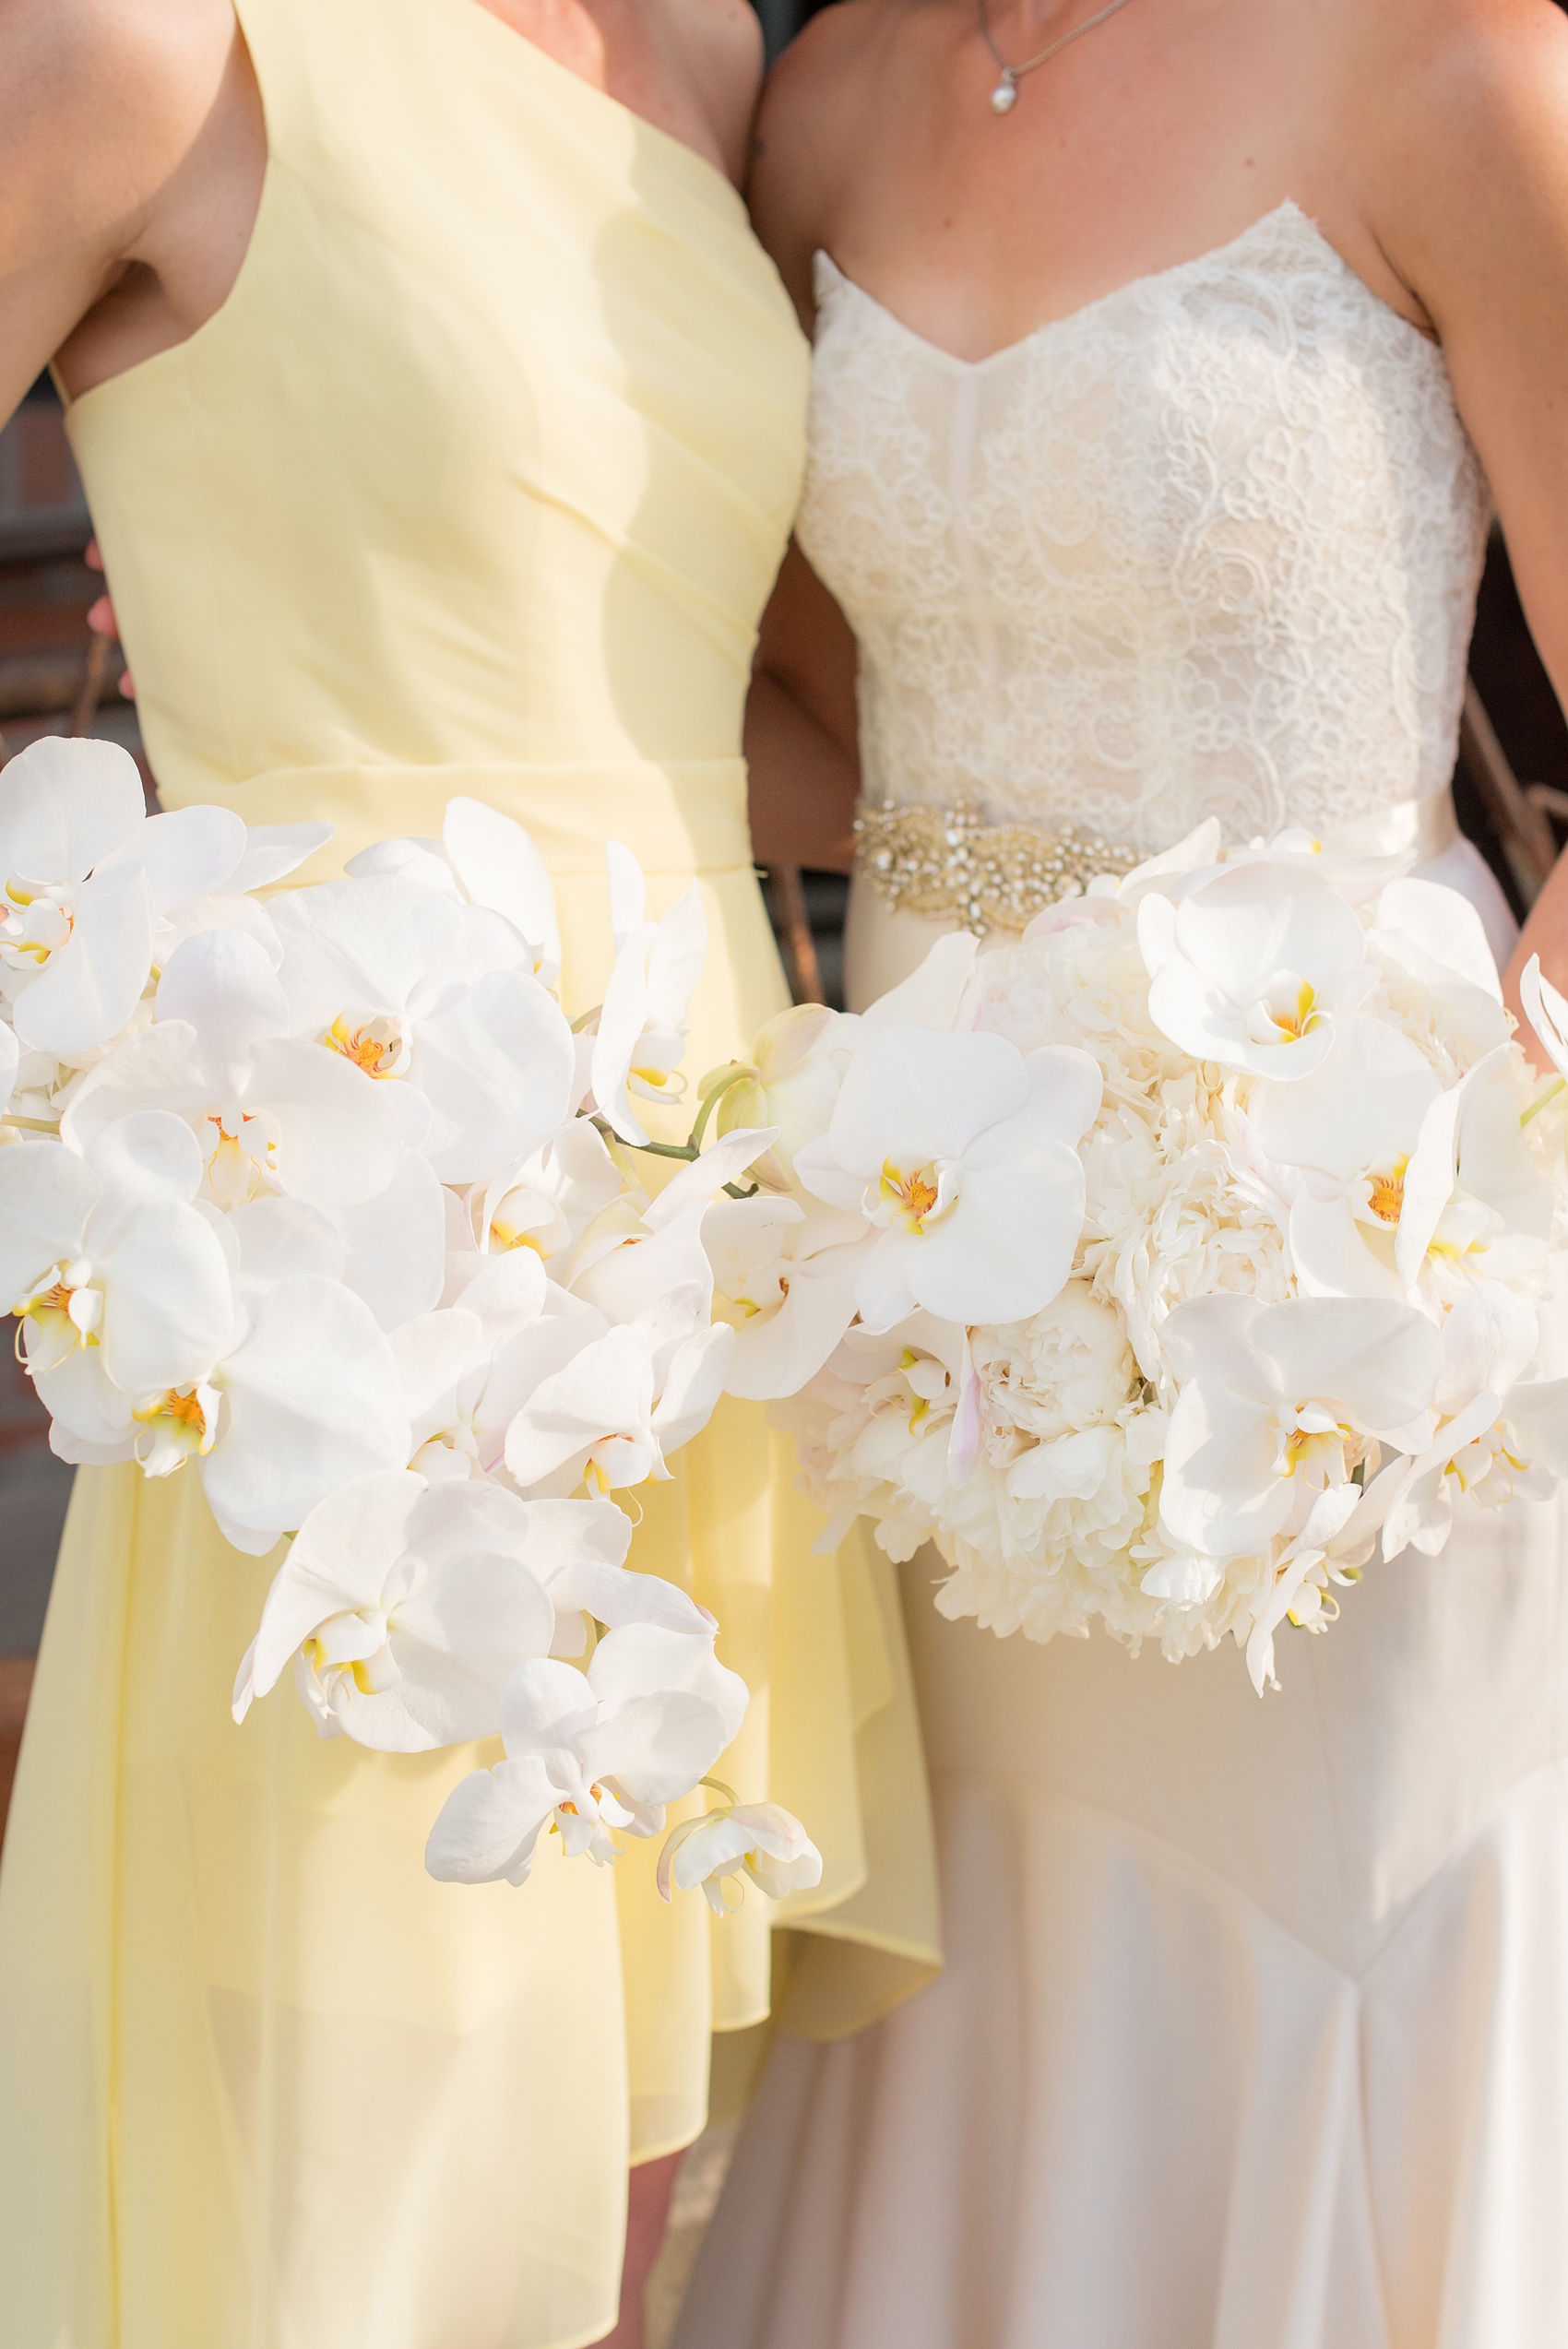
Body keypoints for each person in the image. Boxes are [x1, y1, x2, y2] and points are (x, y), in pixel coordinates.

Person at [0, 4, 939, 2343]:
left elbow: (716, 723)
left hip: (684, 1229)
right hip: (364, 1273)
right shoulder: (152, 46)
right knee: (351, 2187)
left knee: (588, 2170)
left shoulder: (700, 53)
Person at [675, 0, 1568, 2342]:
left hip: (1335, 1269)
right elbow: (787, 708)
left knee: (1326, 1899)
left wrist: (1469, 1194)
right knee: (984, 1934)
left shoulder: (1452, 65)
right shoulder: (829, 96)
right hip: (929, 1259)